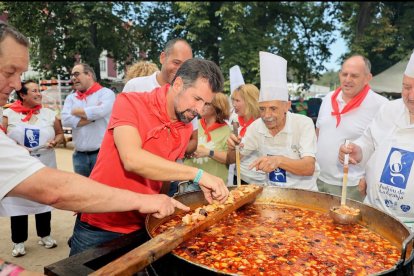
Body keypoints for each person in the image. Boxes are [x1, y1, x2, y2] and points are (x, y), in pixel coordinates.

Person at [0, 21, 191, 275]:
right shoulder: (132, 95)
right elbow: (55, 189)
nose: (17, 84)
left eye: (20, 74)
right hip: (99, 198)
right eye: (9, 72)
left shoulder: (185, 118)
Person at [69, 58, 230, 256]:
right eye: (197, 99)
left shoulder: (185, 127)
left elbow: (164, 173)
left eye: (206, 103)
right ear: (178, 84)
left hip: (143, 223)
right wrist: (197, 174)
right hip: (100, 222)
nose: (199, 110)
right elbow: (131, 158)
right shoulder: (130, 102)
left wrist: (161, 206)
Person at [339, 51, 414, 230]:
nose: (410, 97)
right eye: (406, 87)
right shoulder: (389, 110)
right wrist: (358, 150)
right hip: (373, 214)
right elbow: (369, 142)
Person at [227, 52, 318, 190]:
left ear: (287, 106)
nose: (266, 115)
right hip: (273, 195)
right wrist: (232, 148)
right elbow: (233, 159)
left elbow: (308, 167)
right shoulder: (256, 127)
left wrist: (278, 160)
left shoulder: (303, 124)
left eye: (273, 108)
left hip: (304, 196)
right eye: (262, 109)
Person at [1, 80, 63, 257]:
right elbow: (2, 136)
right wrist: (15, 146)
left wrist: (55, 141)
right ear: (23, 95)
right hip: (19, 164)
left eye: (39, 91)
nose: (38, 94)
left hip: (45, 163)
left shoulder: (50, 113)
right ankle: (18, 241)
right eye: (34, 91)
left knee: (45, 198)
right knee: (18, 201)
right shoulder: (9, 114)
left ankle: (45, 235)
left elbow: (59, 134)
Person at [316, 55, 388, 202]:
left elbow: (384, 148)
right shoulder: (328, 98)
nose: (347, 80)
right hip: (320, 180)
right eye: (344, 74)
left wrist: (370, 176)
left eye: (354, 76)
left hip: (353, 186)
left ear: (368, 78)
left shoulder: (381, 105)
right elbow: (319, 132)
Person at [122, 38, 198, 155]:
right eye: (176, 63)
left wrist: (172, 151)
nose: (180, 70)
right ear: (163, 57)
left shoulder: (189, 95)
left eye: (185, 65)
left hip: (171, 170)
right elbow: (119, 133)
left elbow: (194, 140)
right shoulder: (135, 86)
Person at [61, 63, 116, 177]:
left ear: (89, 75)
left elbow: (101, 111)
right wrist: (91, 118)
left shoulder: (106, 93)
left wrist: (76, 111)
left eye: (76, 74)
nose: (73, 78)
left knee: (103, 189)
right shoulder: (71, 98)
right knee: (83, 191)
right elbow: (65, 120)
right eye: (72, 75)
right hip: (79, 155)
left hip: (102, 154)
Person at [183, 92, 231, 191]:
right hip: (189, 182)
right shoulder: (193, 124)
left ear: (218, 107)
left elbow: (229, 159)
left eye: (207, 103)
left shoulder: (227, 131)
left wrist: (208, 152)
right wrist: (187, 152)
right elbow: (184, 148)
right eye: (201, 102)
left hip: (213, 185)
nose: (201, 106)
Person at [227, 83, 260, 184]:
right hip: (238, 177)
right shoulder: (234, 119)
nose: (234, 104)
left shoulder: (261, 123)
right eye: (233, 100)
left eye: (237, 100)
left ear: (249, 101)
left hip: (258, 181)